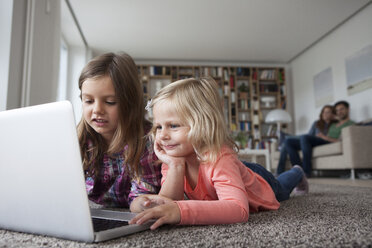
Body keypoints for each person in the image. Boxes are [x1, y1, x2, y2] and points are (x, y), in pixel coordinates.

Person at [129, 77, 308, 230]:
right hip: (233, 171)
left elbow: (239, 210)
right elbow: (170, 202)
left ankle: (298, 171)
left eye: (173, 125)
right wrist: (175, 166)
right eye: (158, 127)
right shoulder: (173, 158)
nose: (162, 135)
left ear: (204, 124)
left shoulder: (220, 157)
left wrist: (181, 212)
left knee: (283, 188)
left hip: (259, 182)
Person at [77, 52, 162, 208]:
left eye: (110, 102)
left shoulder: (147, 140)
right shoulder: (78, 139)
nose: (97, 110)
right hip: (90, 211)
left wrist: (143, 204)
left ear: (130, 104)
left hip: (125, 214)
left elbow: (142, 194)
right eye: (88, 101)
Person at [284, 100, 354, 177]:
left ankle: (306, 171)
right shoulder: (334, 124)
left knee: (304, 137)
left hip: (329, 141)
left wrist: (324, 137)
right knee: (288, 141)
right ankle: (297, 171)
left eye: (342, 109)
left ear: (348, 109)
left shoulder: (350, 124)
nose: (339, 112)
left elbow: (339, 141)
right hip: (323, 140)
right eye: (337, 110)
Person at [276, 105, 336, 175]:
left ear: (332, 114)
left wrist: (322, 136)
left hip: (323, 141)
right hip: (311, 140)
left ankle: (306, 171)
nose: (325, 114)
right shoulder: (317, 123)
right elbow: (309, 134)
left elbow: (331, 137)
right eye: (324, 112)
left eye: (328, 112)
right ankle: (298, 170)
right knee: (288, 142)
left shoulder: (334, 125)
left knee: (302, 137)